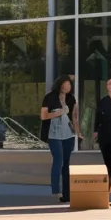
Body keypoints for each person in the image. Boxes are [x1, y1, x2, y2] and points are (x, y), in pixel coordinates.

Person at [39, 75, 81, 203]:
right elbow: (43, 116)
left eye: (69, 85)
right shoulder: (50, 97)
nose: (66, 87)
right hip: (54, 135)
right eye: (64, 84)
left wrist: (78, 132)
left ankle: (67, 194)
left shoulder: (71, 99)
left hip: (68, 135)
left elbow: (74, 118)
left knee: (66, 164)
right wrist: (59, 112)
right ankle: (56, 190)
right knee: (59, 160)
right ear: (59, 84)